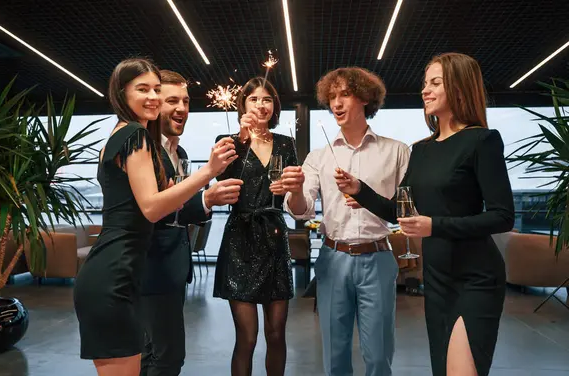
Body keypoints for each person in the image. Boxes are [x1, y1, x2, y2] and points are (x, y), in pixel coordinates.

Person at [335, 53, 514, 376]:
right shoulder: (421, 150)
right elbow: (399, 211)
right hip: (437, 279)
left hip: (476, 278)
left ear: (459, 89)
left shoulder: (482, 141)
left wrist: (435, 226)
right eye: (424, 84)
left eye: (435, 83)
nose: (425, 90)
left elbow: (503, 217)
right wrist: (360, 190)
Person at [73, 58, 237, 376]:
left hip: (117, 274)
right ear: (121, 94)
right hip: (114, 277)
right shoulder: (135, 134)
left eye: (156, 90)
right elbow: (151, 208)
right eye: (143, 89)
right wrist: (209, 172)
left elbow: (151, 204)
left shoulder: (124, 133)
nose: (152, 97)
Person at [281, 67, 409, 376]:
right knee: (335, 357)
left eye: (345, 94)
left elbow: (406, 210)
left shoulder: (396, 151)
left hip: (378, 257)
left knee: (379, 356)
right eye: (332, 96)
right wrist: (295, 190)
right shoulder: (318, 156)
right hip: (332, 257)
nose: (336, 103)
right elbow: (302, 210)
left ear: (365, 98)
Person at [140, 70, 243, 376]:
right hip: (149, 268)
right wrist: (207, 199)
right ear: (154, 104)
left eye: (185, 100)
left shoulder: (179, 152)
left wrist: (204, 200)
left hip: (172, 268)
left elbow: (177, 204)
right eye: (172, 100)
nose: (182, 108)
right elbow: (153, 210)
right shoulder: (143, 151)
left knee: (155, 354)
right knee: (166, 357)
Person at [213, 77, 297, 376]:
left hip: (275, 237)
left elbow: (291, 194)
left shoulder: (286, 144)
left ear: (274, 106)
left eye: (267, 99)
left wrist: (295, 186)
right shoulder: (229, 142)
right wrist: (242, 137)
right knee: (246, 339)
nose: (261, 104)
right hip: (240, 239)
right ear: (243, 105)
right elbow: (221, 190)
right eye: (254, 99)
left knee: (276, 335)